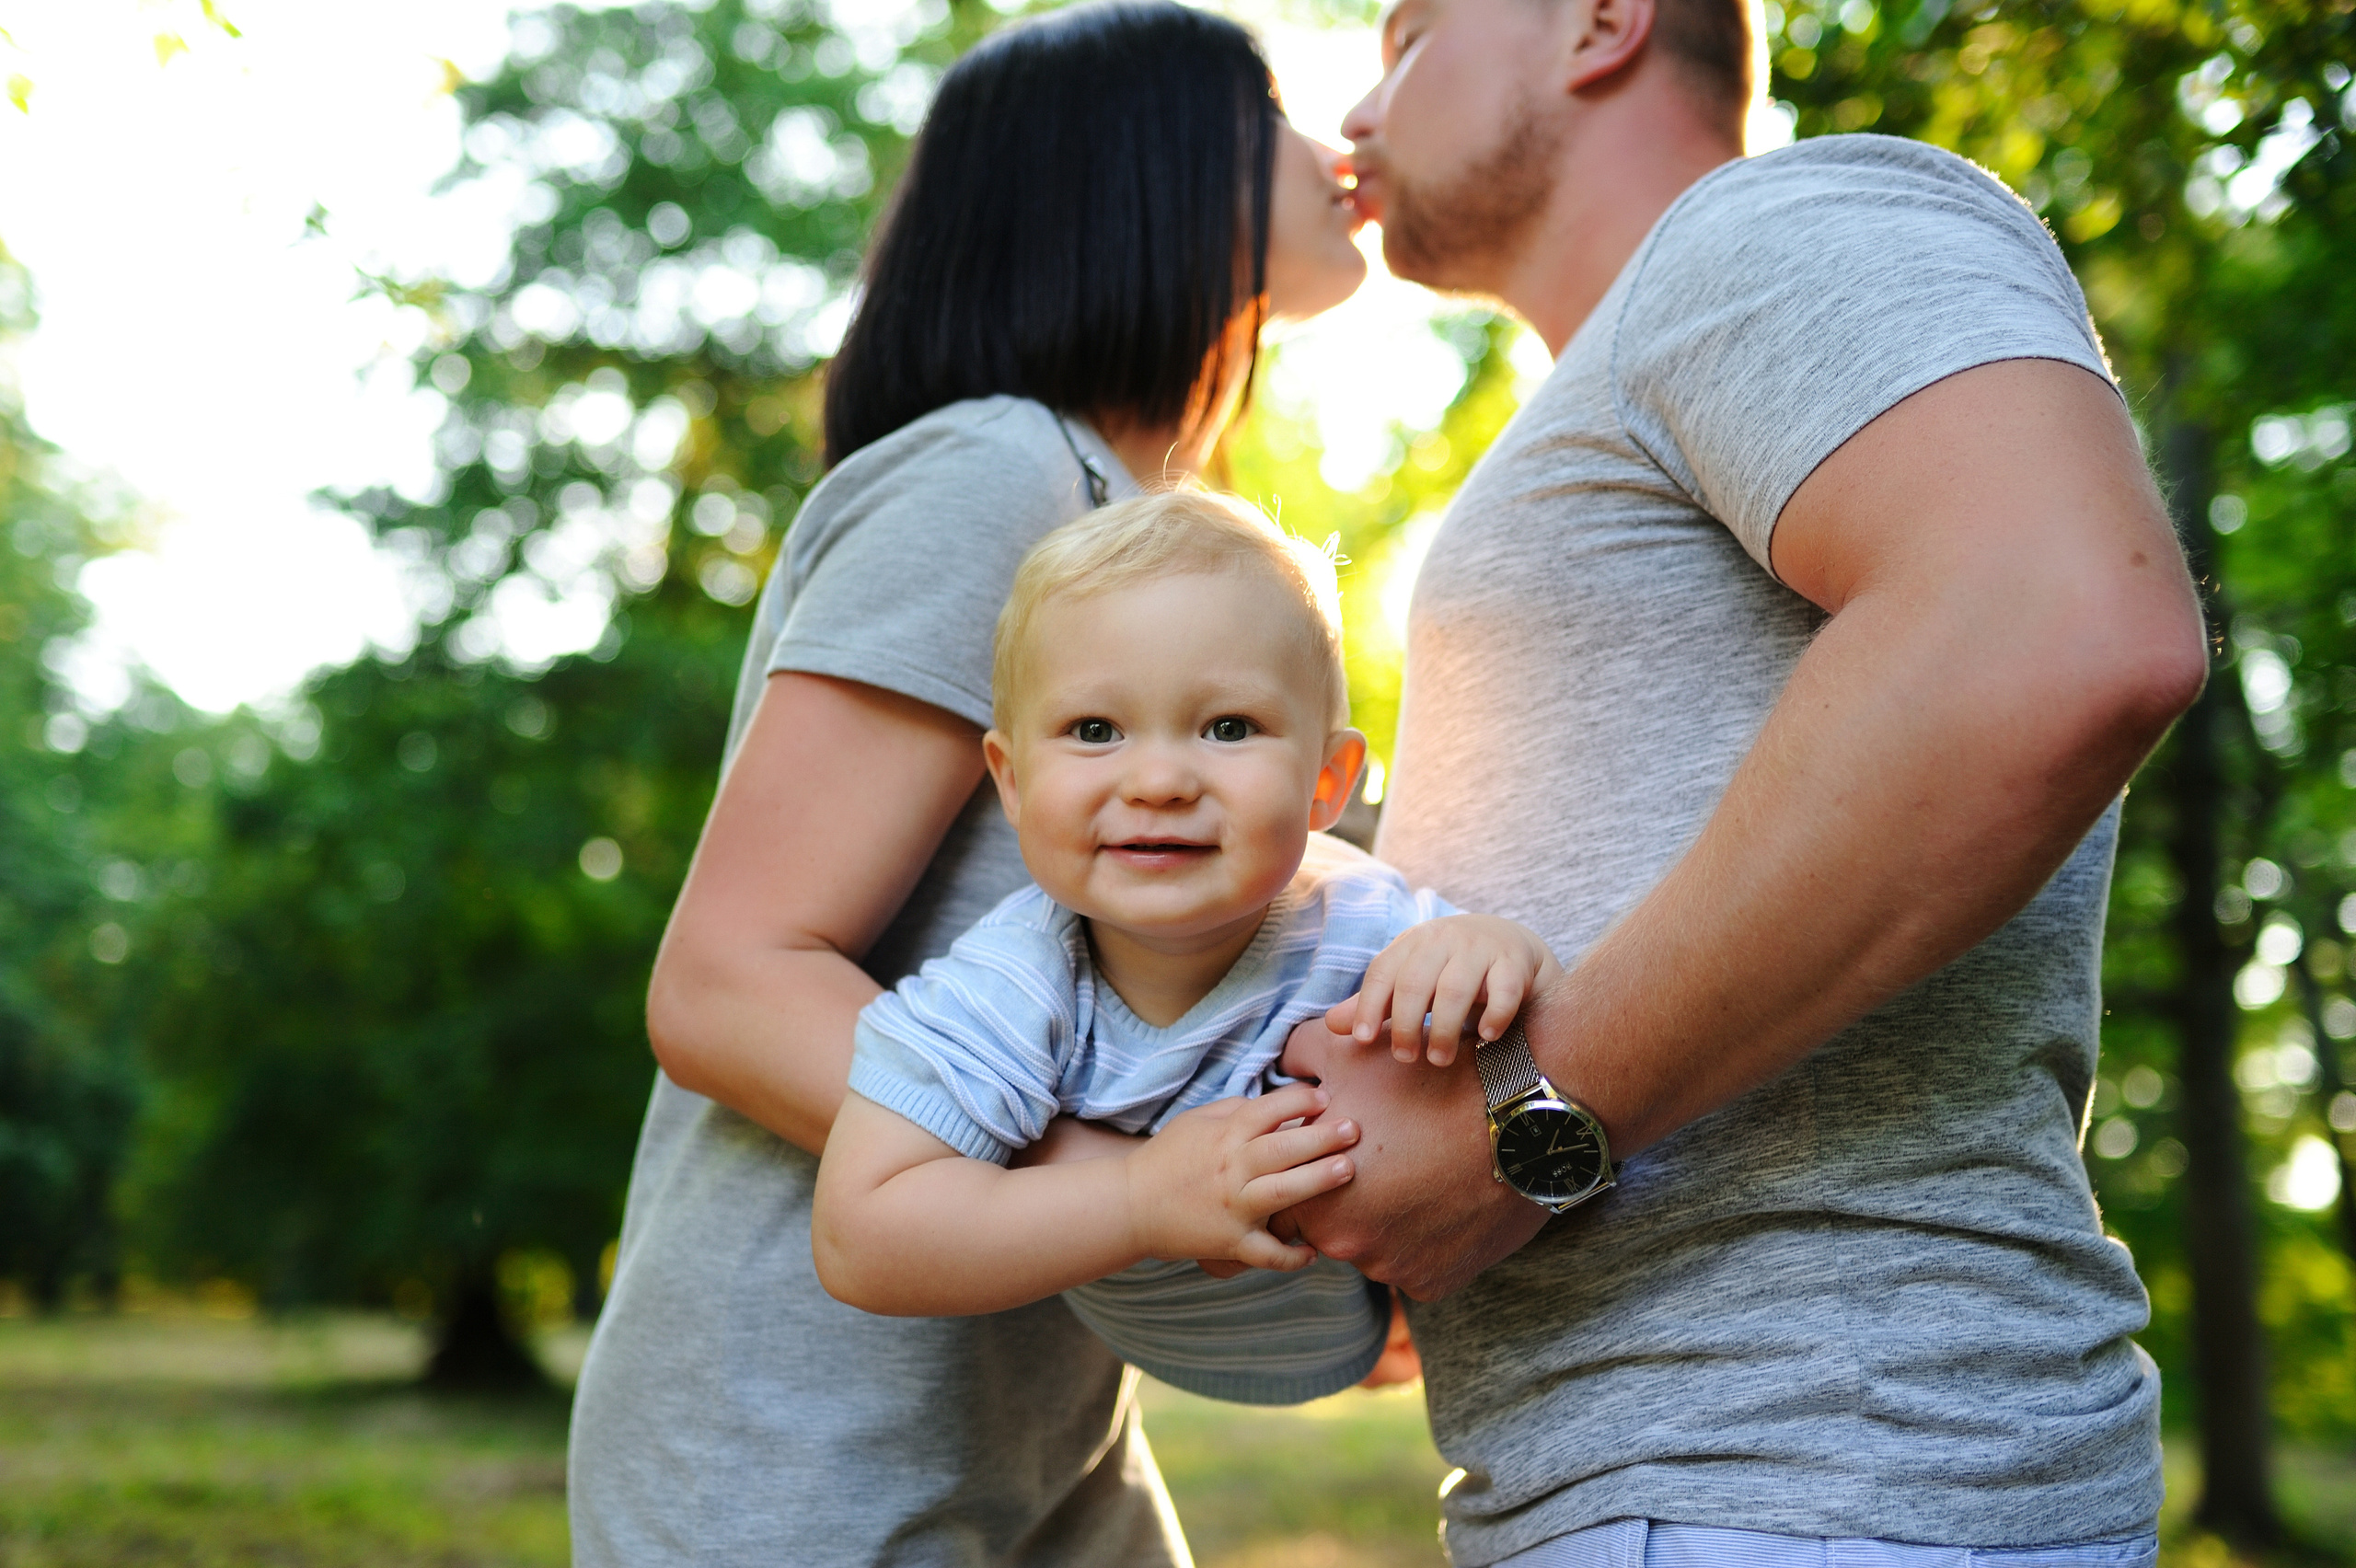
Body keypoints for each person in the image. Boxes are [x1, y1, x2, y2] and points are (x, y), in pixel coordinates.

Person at [1268, 0, 2210, 1562]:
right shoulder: (1649, 365)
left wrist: (1524, 1144)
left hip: (1810, 1476)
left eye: (1412, 38)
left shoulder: (1777, 222)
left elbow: (2061, 622)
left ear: (1600, 22)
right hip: (1705, 1483)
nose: (1356, 119)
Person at [564, 6, 1370, 1563]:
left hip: (1033, 1430)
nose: (1336, 142)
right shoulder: (995, 472)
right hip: (794, 1440)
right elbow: (731, 982)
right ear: (1139, 167)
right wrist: (1151, 1202)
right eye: (1271, 103)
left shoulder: (1123, 529)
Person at [810, 491, 1562, 1404]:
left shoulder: (1358, 916)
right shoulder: (1016, 983)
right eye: (1095, 731)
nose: (1159, 780)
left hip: (1404, 1320)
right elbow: (862, 1234)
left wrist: (1488, 949)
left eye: (1227, 727)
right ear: (1011, 781)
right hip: (1184, 1345)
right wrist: (1138, 1199)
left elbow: (1538, 1036)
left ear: (1326, 781)